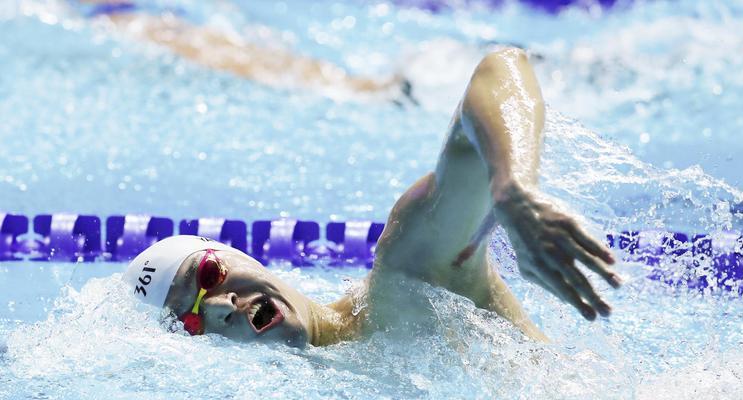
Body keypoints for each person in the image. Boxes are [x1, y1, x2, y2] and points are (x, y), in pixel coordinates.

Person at [124, 48, 621, 347]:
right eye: (191, 320)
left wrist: (512, 187)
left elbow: (499, 69)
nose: (223, 307)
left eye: (209, 277)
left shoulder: (407, 282)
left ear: (236, 255)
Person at [76, 0, 410, 102]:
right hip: (123, 14)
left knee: (235, 48)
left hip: (135, 13)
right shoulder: (123, 19)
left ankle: (358, 86)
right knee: (229, 49)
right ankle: (358, 87)